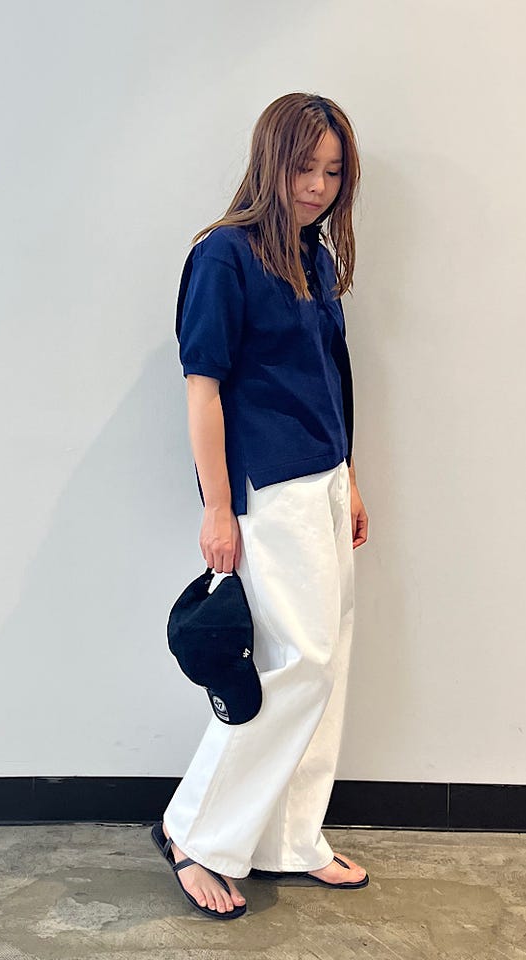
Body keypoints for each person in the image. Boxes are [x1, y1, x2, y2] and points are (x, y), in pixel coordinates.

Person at [154, 92, 370, 920]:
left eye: (333, 172)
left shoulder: (314, 256)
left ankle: (289, 839)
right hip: (268, 489)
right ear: (269, 161)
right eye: (305, 167)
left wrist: (351, 476)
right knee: (295, 665)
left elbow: (331, 378)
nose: (318, 186)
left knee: (326, 666)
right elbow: (202, 388)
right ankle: (194, 831)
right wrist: (218, 508)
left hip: (324, 480)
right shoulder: (224, 256)